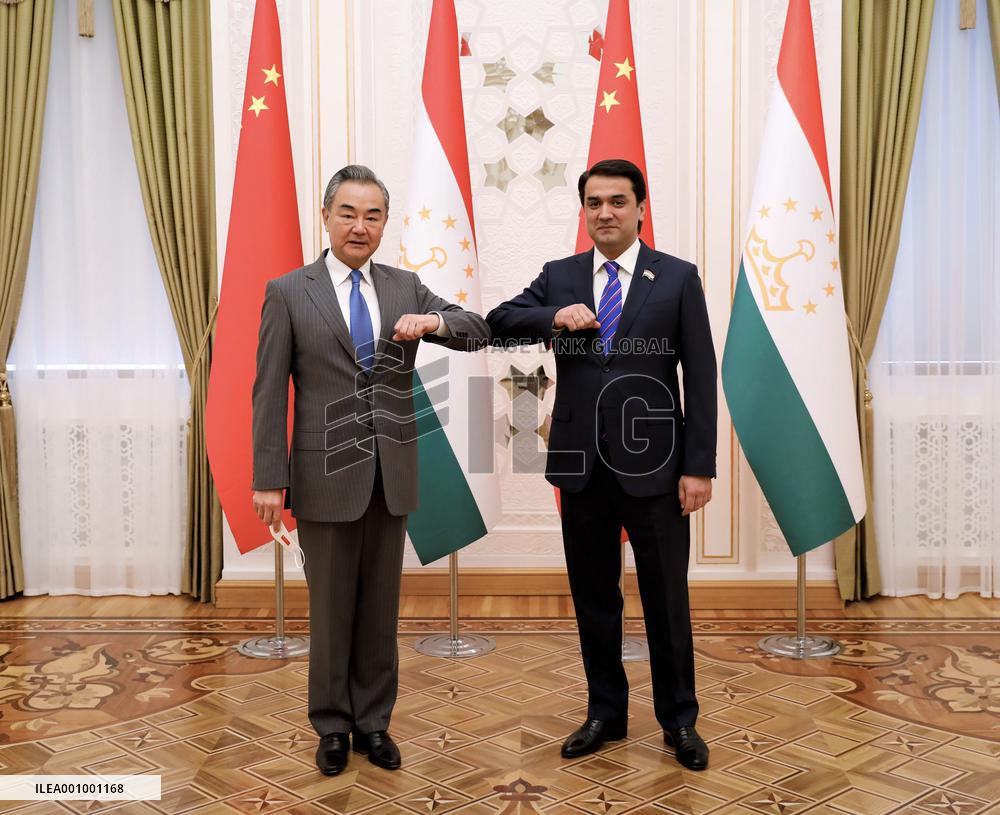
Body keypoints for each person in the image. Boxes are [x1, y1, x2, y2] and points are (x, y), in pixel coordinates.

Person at [251, 165, 489, 776]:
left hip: (392, 470)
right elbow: (269, 391)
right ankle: (331, 725)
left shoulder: (406, 287)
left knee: (381, 607)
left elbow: (475, 330)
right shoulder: (288, 291)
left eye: (374, 215)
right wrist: (267, 477)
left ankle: (373, 724)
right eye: (349, 213)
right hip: (322, 471)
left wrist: (434, 323)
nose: (361, 226)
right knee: (331, 608)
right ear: (327, 216)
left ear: (386, 222)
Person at [486, 159, 717, 771]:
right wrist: (552, 317)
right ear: (583, 211)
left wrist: (699, 466)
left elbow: (701, 373)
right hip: (581, 465)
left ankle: (679, 722)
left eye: (618, 201)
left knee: (667, 600)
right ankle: (605, 715)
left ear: (641, 208)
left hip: (660, 468)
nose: (606, 213)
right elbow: (500, 323)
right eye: (594, 203)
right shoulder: (560, 277)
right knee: (594, 599)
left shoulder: (677, 278)